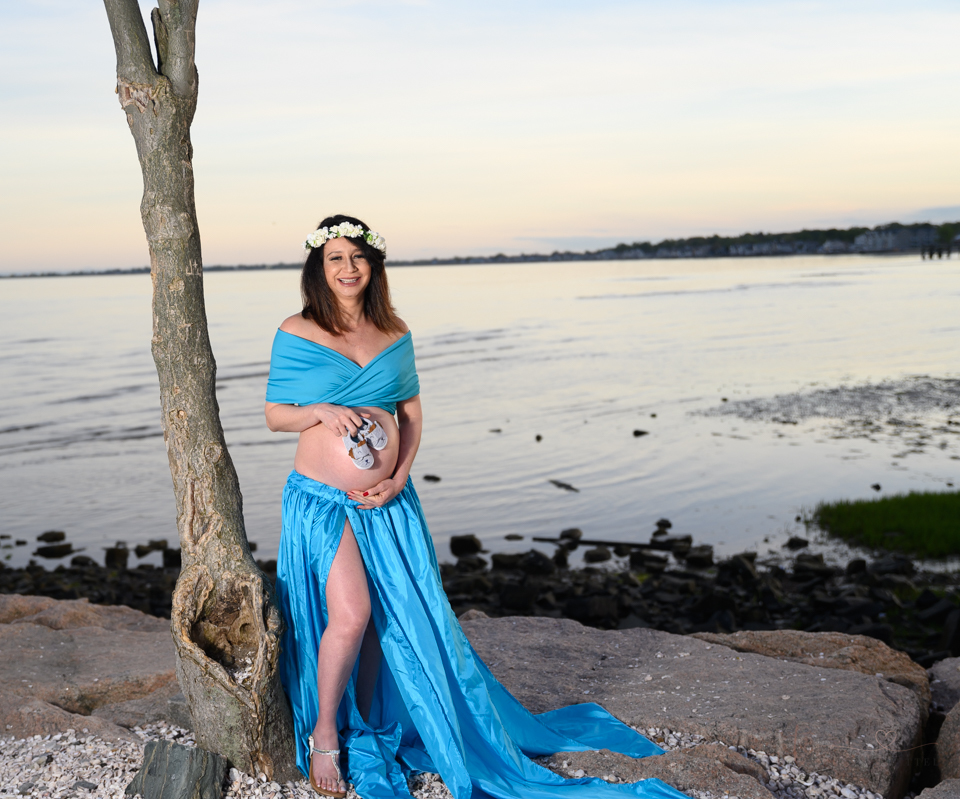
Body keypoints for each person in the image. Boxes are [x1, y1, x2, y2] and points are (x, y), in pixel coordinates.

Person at [265, 215, 687, 799]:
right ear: (319, 267)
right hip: (323, 501)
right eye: (335, 258)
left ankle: (368, 724)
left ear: (374, 265)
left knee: (389, 620)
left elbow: (409, 414)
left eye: (358, 257)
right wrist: (322, 410)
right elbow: (274, 416)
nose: (348, 268)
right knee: (353, 614)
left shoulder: (394, 331)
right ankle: (326, 737)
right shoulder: (299, 328)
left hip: (386, 501)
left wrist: (399, 477)